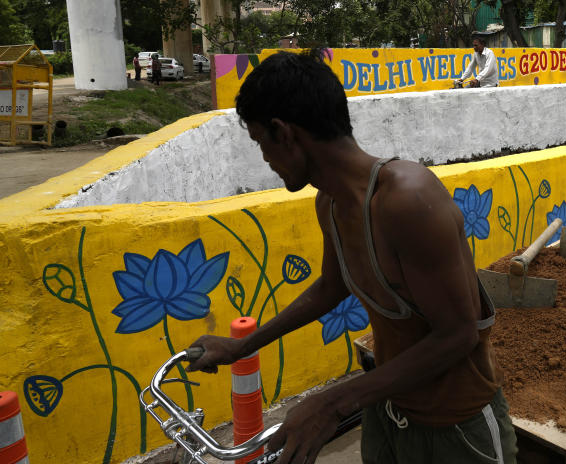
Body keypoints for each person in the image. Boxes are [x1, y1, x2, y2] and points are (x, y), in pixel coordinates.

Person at [187, 51, 517, 464]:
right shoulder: (330, 203)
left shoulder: (408, 199)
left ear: (283, 132)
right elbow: (331, 286)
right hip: (388, 412)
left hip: (455, 430)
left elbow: (458, 334)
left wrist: (333, 403)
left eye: (261, 143)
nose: (266, 160)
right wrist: (243, 347)